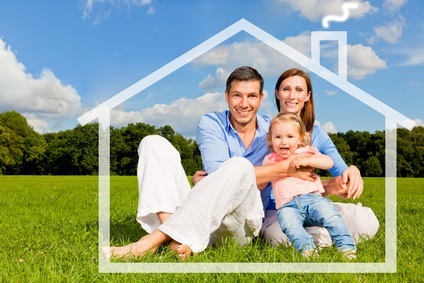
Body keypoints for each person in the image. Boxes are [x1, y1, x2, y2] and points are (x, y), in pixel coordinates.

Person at [261, 68, 379, 247]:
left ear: (307, 96)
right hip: (280, 210)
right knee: (278, 237)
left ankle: (319, 235)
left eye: (299, 90)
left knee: (366, 222)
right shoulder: (267, 132)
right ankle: (324, 235)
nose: (292, 96)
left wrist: (352, 171)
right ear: (277, 93)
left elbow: (340, 171)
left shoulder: (316, 134)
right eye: (286, 89)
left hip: (314, 204)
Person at [263, 112, 356, 258]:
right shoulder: (270, 159)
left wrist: (309, 161)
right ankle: (308, 249)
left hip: (313, 199)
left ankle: (346, 247)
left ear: (300, 139)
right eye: (278, 137)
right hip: (287, 206)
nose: (283, 142)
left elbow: (328, 162)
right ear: (271, 139)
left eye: (290, 136)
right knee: (289, 225)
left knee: (331, 216)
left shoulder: (306, 152)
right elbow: (264, 178)